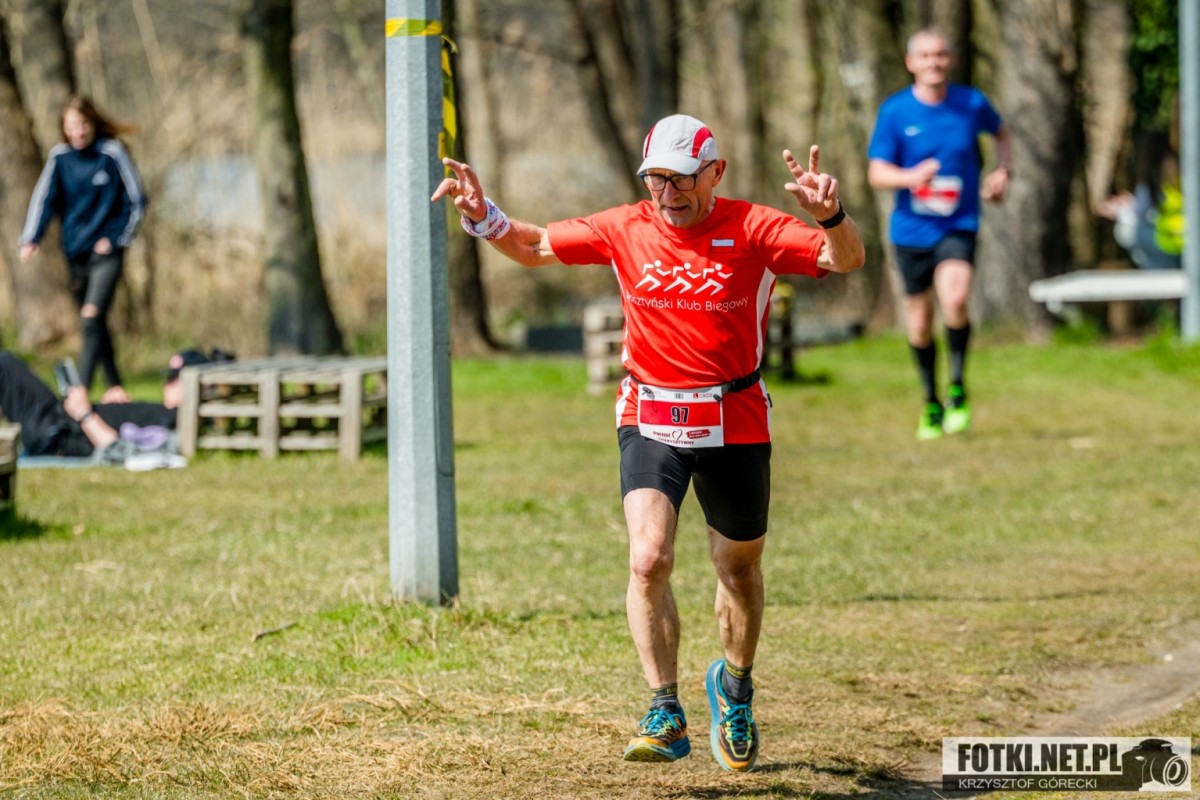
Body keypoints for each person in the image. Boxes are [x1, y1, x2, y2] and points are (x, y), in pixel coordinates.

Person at [432, 114, 865, 771]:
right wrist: (482, 213)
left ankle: (735, 688)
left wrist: (830, 216)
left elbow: (845, 259)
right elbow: (535, 245)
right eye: (656, 178)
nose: (668, 192)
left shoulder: (754, 227)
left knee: (738, 568)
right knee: (648, 557)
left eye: (682, 178)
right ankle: (664, 709)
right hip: (650, 411)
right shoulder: (624, 227)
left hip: (735, 414)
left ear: (715, 173)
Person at [867, 28, 1011, 441]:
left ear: (950, 60)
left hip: (958, 223)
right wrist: (911, 177)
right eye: (925, 56)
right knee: (919, 323)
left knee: (956, 298)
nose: (934, 62)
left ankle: (958, 387)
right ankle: (931, 402)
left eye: (941, 55)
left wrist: (1002, 172)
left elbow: (1002, 133)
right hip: (911, 230)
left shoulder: (971, 103)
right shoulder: (895, 111)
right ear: (911, 62)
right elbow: (876, 173)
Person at [18, 96, 148, 402]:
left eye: (83, 124)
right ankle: (115, 387)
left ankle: (81, 393)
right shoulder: (60, 158)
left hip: (107, 254)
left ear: (93, 123)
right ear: (64, 128)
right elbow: (44, 200)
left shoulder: (112, 153)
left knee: (90, 317)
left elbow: (137, 201)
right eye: (71, 126)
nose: (78, 131)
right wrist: (31, 238)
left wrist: (115, 238)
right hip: (75, 253)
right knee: (94, 323)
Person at [0, 349, 209, 459]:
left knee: (4, 363)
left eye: (173, 378)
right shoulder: (164, 412)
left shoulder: (175, 422)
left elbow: (120, 451)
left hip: (55, 432)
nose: (166, 384)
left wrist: (86, 415)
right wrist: (120, 409)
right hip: (58, 419)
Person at [1096, 129, 1184, 270]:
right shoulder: (1177, 168)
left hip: (1173, 238)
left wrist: (1122, 209)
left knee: (1125, 230)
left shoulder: (1155, 176)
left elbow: (1141, 212)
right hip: (1177, 236)